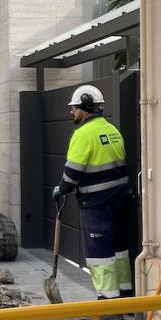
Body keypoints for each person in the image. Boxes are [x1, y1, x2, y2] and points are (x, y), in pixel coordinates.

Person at [52, 85, 132, 308]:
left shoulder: (83, 134)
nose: (72, 112)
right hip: (121, 200)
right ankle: (125, 298)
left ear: (85, 108)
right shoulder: (112, 130)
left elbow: (73, 173)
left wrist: (61, 189)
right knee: (119, 250)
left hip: (97, 204)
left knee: (99, 254)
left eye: (74, 107)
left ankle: (108, 303)